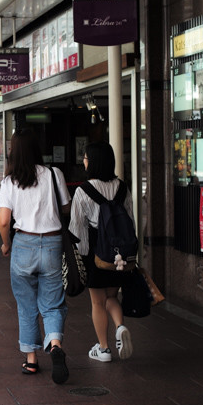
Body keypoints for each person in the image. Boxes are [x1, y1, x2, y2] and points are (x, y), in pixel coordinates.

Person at [0, 129, 71, 384]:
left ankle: (31, 361)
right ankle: (55, 344)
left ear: (13, 152)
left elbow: (4, 222)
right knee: (52, 303)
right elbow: (66, 208)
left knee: (26, 305)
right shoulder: (53, 174)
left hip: (23, 243)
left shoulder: (9, 182)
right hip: (52, 242)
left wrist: (6, 245)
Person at [68, 142, 135, 362]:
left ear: (93, 161)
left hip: (95, 251)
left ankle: (104, 349)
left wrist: (82, 255)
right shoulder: (123, 188)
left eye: (85, 157)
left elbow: (76, 228)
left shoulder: (83, 190)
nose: (84, 161)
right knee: (112, 296)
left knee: (97, 302)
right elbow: (131, 221)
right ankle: (120, 326)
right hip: (119, 253)